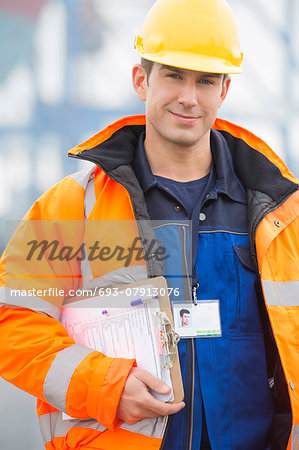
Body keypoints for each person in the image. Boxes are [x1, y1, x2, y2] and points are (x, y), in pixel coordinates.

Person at [0, 0, 298, 449]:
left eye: (205, 80)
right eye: (174, 74)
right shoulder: (73, 207)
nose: (188, 97)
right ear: (142, 80)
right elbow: (13, 319)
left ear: (224, 91)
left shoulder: (281, 216)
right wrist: (105, 384)